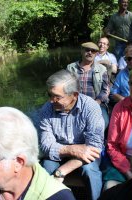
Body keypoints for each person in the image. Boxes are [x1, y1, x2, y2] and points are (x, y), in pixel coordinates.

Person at [39, 70, 104, 200]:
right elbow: (46, 145)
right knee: (46, 168)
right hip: (59, 153)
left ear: (74, 95)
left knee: (90, 171)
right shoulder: (46, 109)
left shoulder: (91, 108)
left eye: (57, 96)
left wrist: (61, 172)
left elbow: (94, 148)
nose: (52, 101)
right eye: (50, 95)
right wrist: (71, 149)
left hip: (86, 154)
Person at [0, 107, 75, 200]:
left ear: (19, 162)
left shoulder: (58, 197)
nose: (53, 100)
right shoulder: (47, 111)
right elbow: (47, 144)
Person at [67, 41, 110, 129]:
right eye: (87, 50)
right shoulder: (71, 68)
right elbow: (66, 87)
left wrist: (97, 102)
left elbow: (105, 90)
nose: (90, 52)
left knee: (103, 123)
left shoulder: (102, 69)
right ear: (82, 51)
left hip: (96, 103)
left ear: (96, 54)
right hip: (75, 103)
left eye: (93, 51)